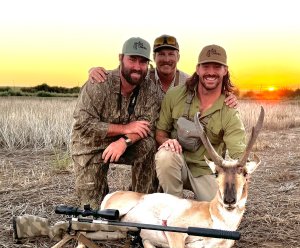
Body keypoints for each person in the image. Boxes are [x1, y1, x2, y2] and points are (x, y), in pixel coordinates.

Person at [71, 37, 160, 209]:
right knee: (93, 212)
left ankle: (142, 203)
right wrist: (125, 128)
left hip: (125, 144)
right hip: (90, 146)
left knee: (149, 144)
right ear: (121, 58)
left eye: (143, 61)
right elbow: (84, 124)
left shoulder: (150, 89)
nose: (137, 66)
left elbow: (146, 125)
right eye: (132, 59)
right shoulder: (98, 83)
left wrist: (124, 141)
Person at [155, 44, 246, 201]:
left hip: (207, 171)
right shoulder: (175, 95)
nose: (211, 72)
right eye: (206, 66)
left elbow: (239, 152)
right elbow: (160, 133)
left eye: (217, 67)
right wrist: (167, 141)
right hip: (178, 164)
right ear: (198, 69)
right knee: (165, 156)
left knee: (218, 212)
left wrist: (242, 171)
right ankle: (174, 207)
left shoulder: (229, 111)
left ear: (225, 70)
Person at [88, 34, 237, 108]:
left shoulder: (188, 81)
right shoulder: (142, 76)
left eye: (171, 54)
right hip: (145, 135)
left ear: (178, 56)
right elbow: (122, 74)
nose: (166, 59)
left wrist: (229, 97)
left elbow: (211, 88)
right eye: (161, 54)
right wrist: (93, 70)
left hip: (174, 139)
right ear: (153, 57)